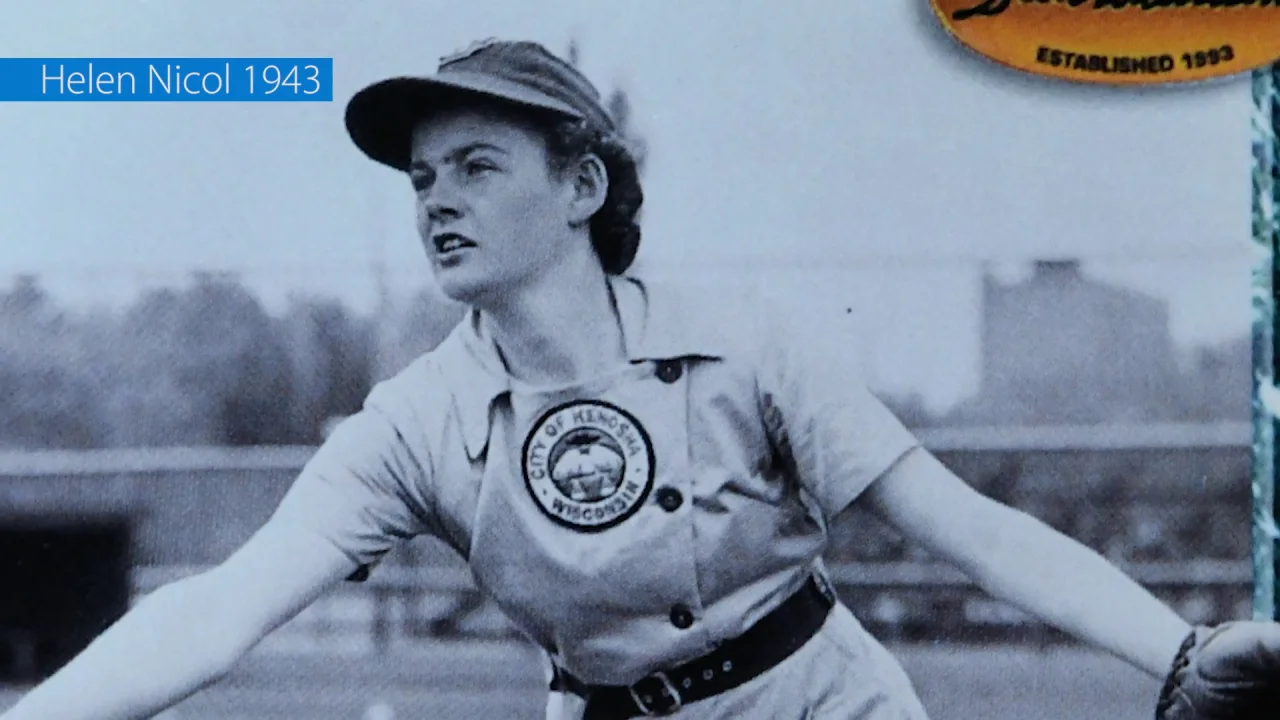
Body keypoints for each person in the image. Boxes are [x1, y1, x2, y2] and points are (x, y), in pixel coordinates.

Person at [0, 38, 1264, 720]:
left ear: (582, 186)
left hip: (821, 701)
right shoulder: (412, 422)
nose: (435, 197)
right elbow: (216, 611)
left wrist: (1174, 653)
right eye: (420, 179)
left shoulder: (748, 343)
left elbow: (967, 530)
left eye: (476, 165)